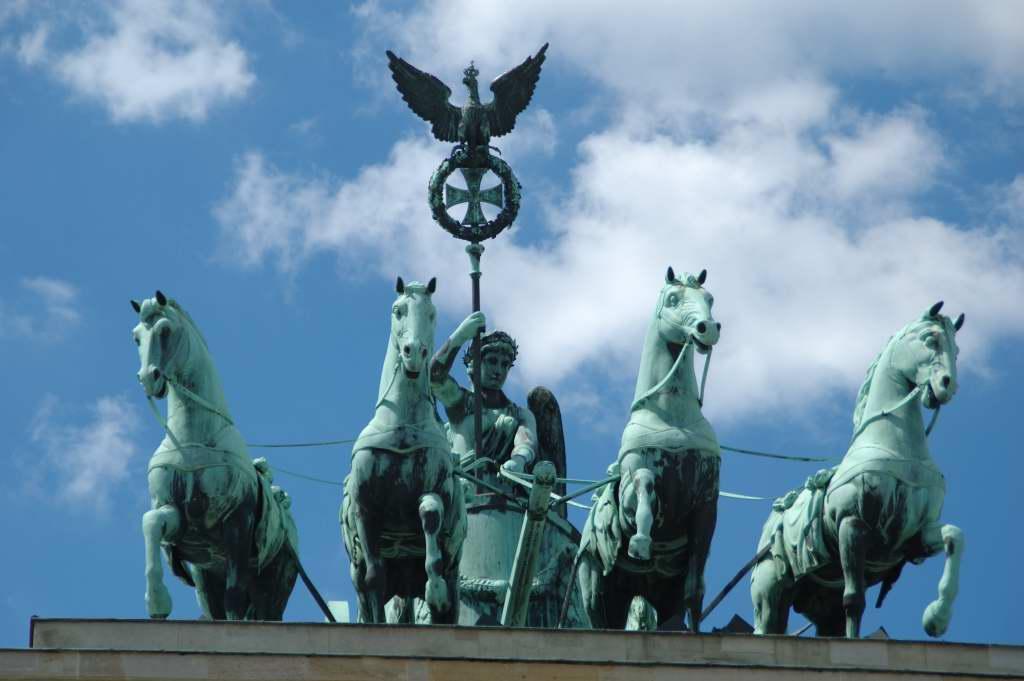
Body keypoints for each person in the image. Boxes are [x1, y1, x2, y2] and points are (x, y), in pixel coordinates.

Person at [429, 311, 537, 477]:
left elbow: (526, 442)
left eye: (505, 364)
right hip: (461, 486)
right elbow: (433, 376)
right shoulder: (460, 401)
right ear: (473, 364)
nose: (498, 370)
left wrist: (519, 461)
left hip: (501, 487)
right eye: (492, 361)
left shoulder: (519, 414)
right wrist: (460, 336)